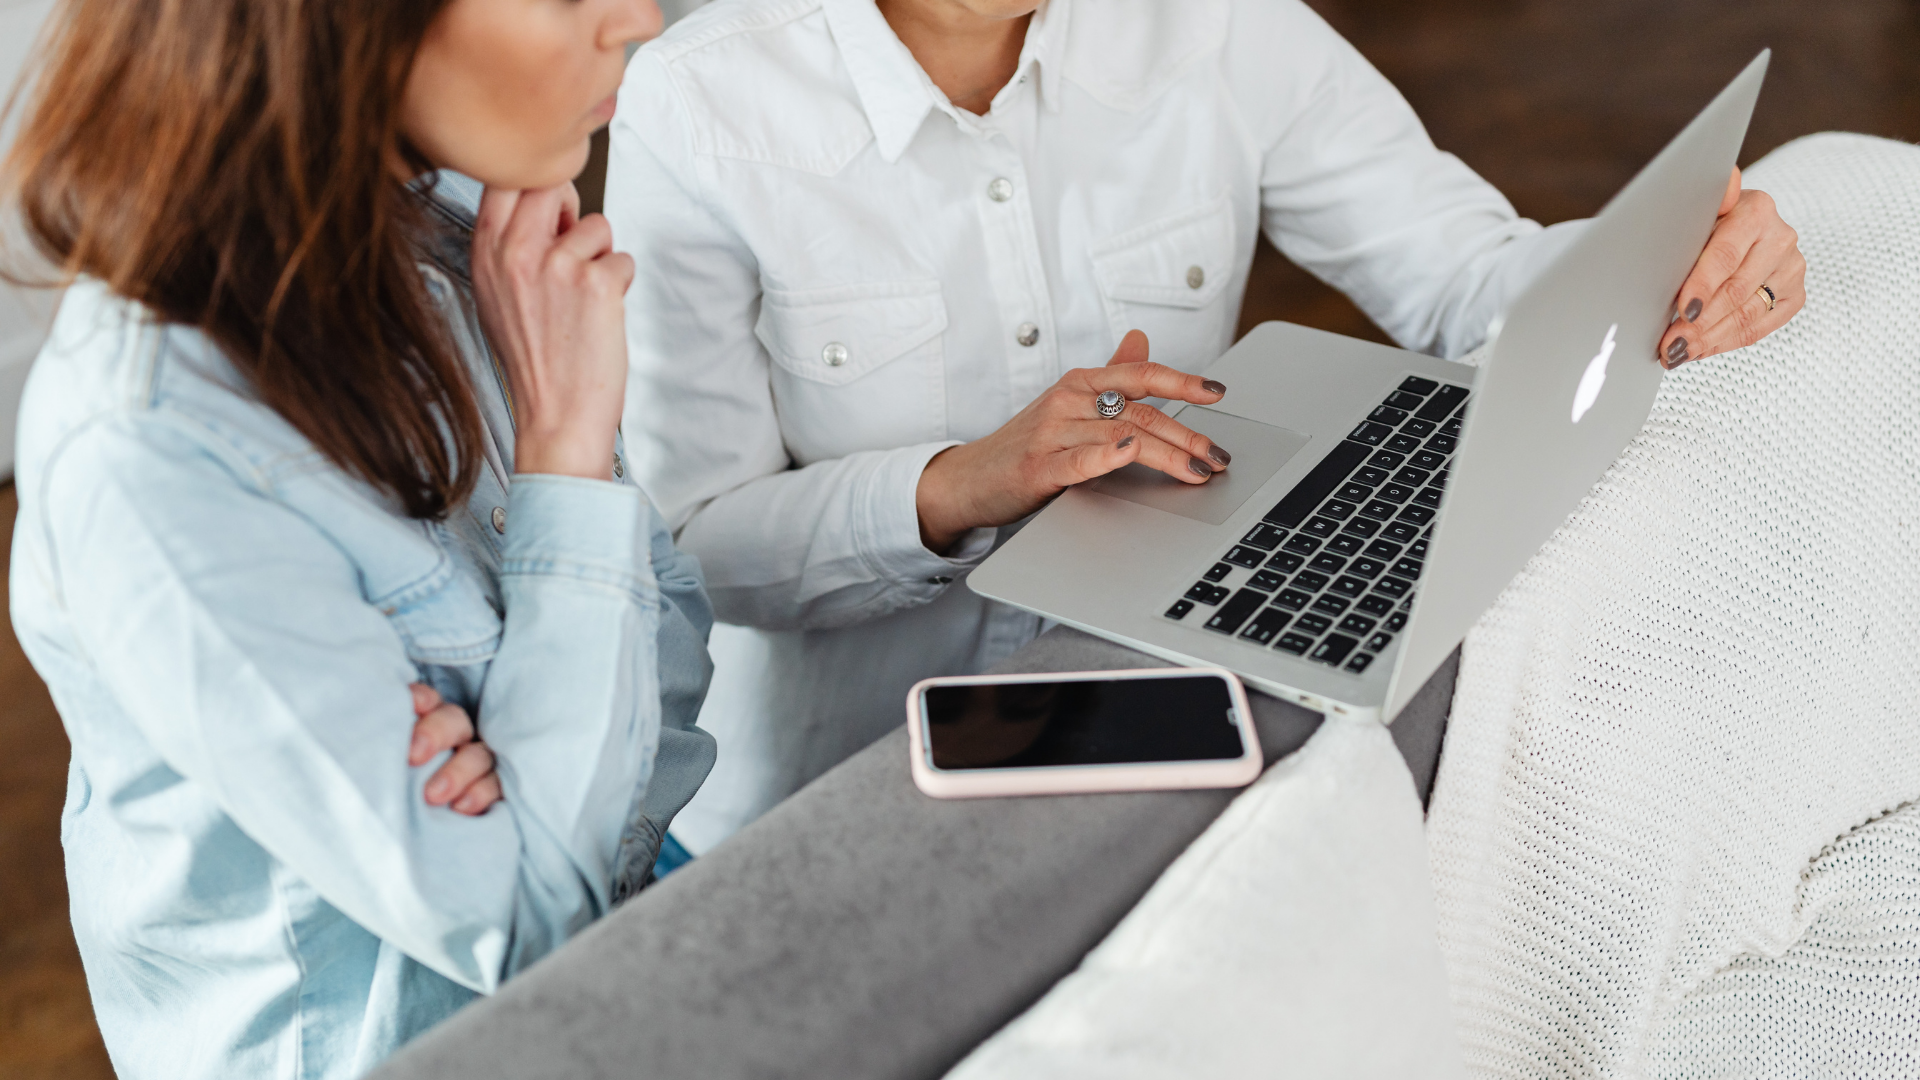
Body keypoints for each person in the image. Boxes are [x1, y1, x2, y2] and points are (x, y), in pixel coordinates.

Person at [604, 0, 1805, 849]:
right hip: (841, 785)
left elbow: (1466, 277)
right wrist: (964, 483)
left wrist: (1676, 265)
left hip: (1162, 726)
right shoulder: (699, 102)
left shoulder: (1224, 23)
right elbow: (694, 548)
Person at [5, 0, 710, 1076]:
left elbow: (669, 671)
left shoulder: (476, 240)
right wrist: (565, 448)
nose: (639, 19)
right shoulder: (145, 447)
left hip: (634, 947)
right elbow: (530, 923)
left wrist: (529, 758)